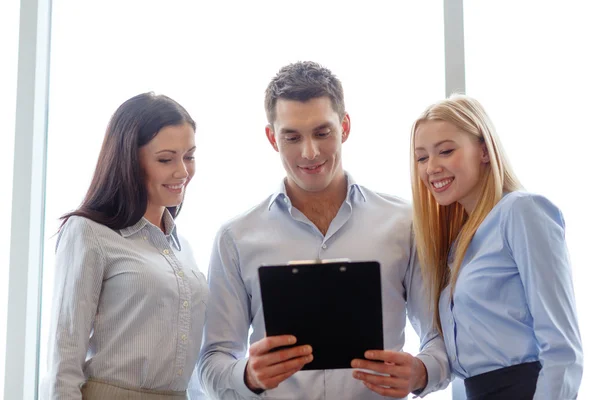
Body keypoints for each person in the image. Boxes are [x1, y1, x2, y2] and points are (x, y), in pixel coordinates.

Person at [198, 61, 450, 399]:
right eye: (292, 137)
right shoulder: (235, 238)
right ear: (273, 137)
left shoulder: (405, 224)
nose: (310, 152)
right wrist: (248, 375)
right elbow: (212, 362)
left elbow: (440, 338)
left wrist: (421, 372)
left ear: (344, 127)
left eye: (322, 132)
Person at [410, 94, 583, 399]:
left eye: (446, 151)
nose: (431, 167)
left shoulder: (522, 211)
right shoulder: (458, 243)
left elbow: (563, 350)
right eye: (422, 157)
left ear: (484, 151)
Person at [43, 92, 209, 399]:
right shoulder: (88, 232)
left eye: (189, 156)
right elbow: (65, 361)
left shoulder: (183, 248)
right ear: (130, 161)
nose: (182, 172)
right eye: (166, 159)